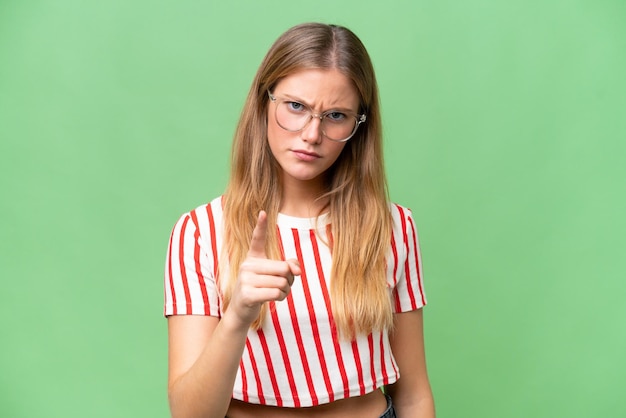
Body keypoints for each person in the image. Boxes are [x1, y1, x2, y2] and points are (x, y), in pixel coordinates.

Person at [164, 22, 435, 418]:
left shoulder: (393, 228)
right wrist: (237, 315)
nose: (312, 134)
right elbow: (189, 414)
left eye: (336, 115)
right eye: (296, 107)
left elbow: (413, 395)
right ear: (264, 102)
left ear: (358, 127)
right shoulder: (200, 233)